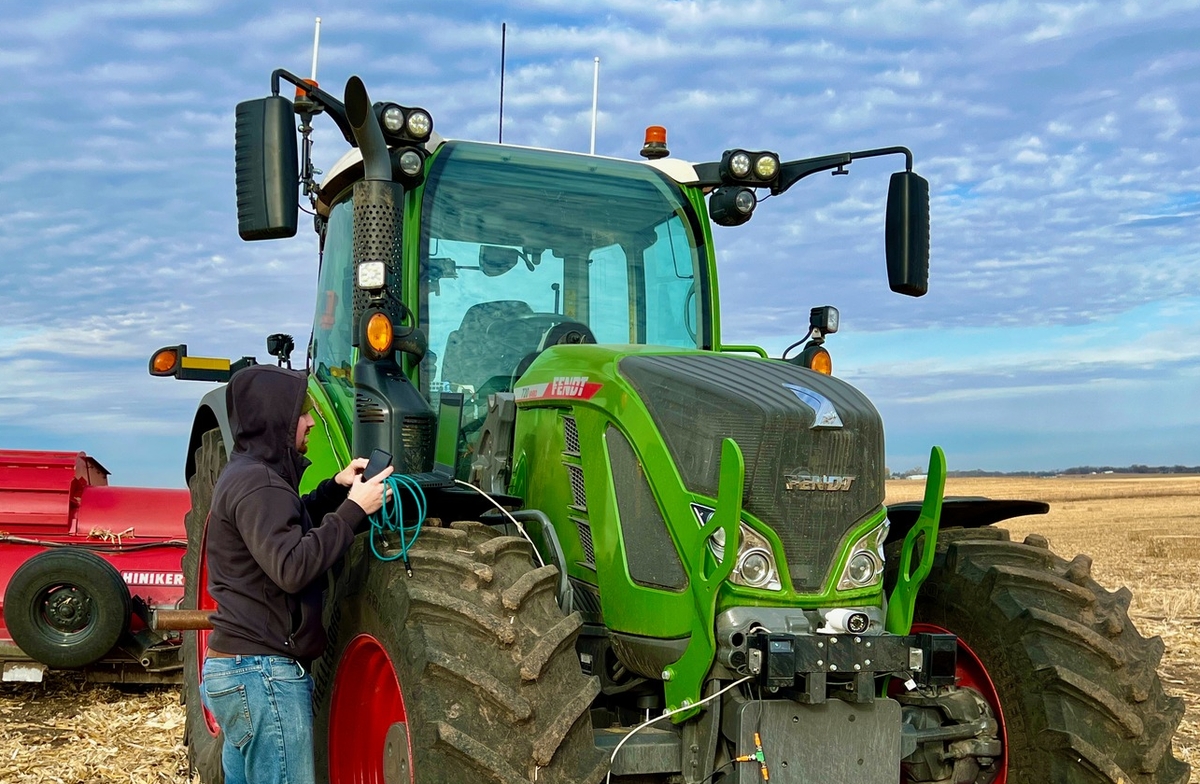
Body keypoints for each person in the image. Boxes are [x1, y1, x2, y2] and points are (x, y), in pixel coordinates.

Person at [198, 364, 391, 784]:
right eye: (300, 414)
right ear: (276, 419)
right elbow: (291, 567)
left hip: (238, 672)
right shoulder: (260, 485)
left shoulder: (247, 475)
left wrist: (337, 489)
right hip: (264, 677)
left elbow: (283, 523)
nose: (309, 424)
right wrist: (355, 509)